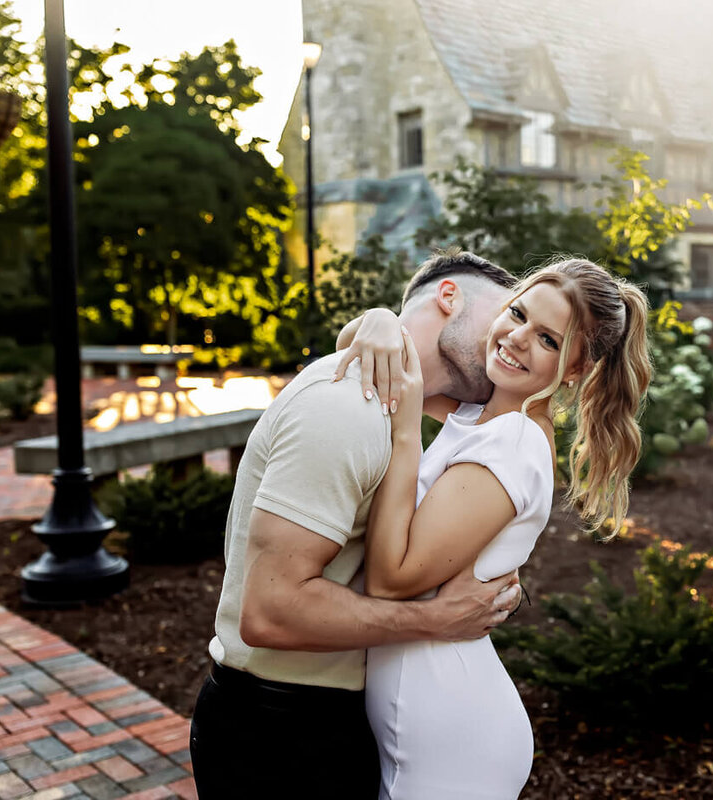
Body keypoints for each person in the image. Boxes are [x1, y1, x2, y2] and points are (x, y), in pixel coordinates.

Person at [189, 250, 523, 799]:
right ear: (449, 296)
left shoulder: (400, 407)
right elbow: (271, 611)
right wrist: (436, 621)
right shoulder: (346, 405)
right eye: (509, 313)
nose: (513, 338)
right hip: (280, 735)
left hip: (324, 721)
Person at [357, 258, 653, 799]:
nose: (516, 338)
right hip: (421, 720)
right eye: (516, 312)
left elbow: (392, 579)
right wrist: (380, 320)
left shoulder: (512, 442)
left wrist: (405, 436)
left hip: (447, 736)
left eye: (546, 339)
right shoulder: (479, 418)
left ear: (575, 370)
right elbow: (389, 371)